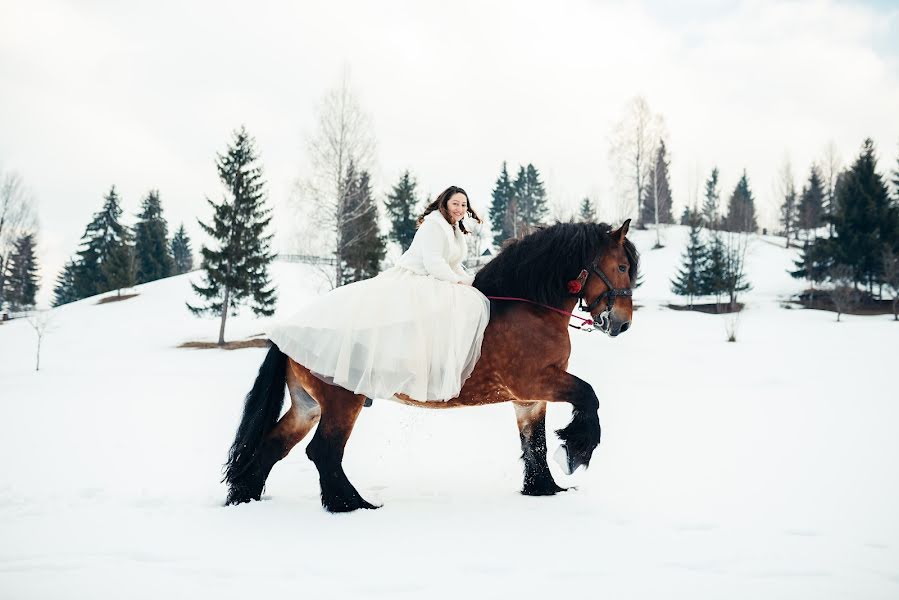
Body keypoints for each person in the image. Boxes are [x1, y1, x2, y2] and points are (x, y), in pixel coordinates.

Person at [268, 186, 490, 402]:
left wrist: (472, 280)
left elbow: (454, 263)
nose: (460, 208)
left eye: (463, 204)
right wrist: (458, 281)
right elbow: (433, 262)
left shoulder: (454, 229)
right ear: (444, 204)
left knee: (469, 302)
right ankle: (392, 368)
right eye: (455, 203)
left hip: (437, 277)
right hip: (418, 276)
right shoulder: (434, 225)